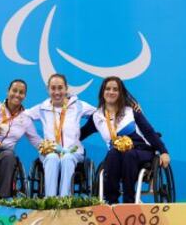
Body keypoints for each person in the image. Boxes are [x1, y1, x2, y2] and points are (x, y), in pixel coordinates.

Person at [80, 76, 170, 204]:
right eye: (108, 89)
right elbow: (80, 134)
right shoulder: (97, 116)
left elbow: (149, 132)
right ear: (102, 92)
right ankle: (111, 201)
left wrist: (163, 152)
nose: (111, 92)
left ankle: (129, 201)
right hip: (117, 153)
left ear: (120, 93)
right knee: (112, 154)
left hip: (141, 150)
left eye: (115, 89)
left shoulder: (131, 111)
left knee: (129, 155)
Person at [26, 74, 96, 197]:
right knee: (52, 157)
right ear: (48, 89)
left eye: (60, 88)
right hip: (49, 152)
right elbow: (21, 116)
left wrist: (83, 133)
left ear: (66, 88)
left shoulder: (78, 106)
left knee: (67, 158)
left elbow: (100, 115)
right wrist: (39, 142)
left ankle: (64, 201)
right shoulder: (42, 108)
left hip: (74, 152)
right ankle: (51, 201)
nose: (57, 92)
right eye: (53, 88)